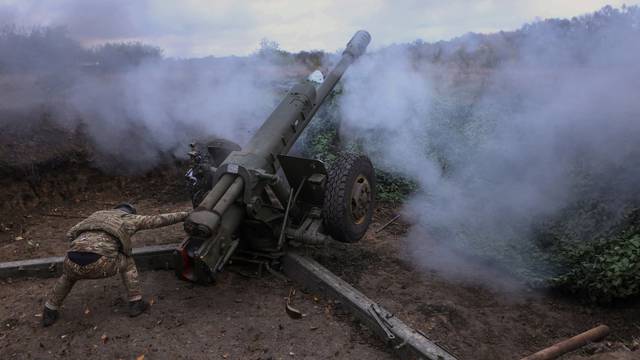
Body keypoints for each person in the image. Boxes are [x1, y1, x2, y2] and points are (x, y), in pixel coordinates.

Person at [42, 203, 189, 327]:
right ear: (130, 212)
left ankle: (49, 311)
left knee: (68, 276)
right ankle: (135, 303)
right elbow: (158, 220)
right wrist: (185, 214)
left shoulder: (96, 215)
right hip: (100, 264)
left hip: (71, 260)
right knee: (128, 262)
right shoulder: (129, 219)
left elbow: (70, 234)